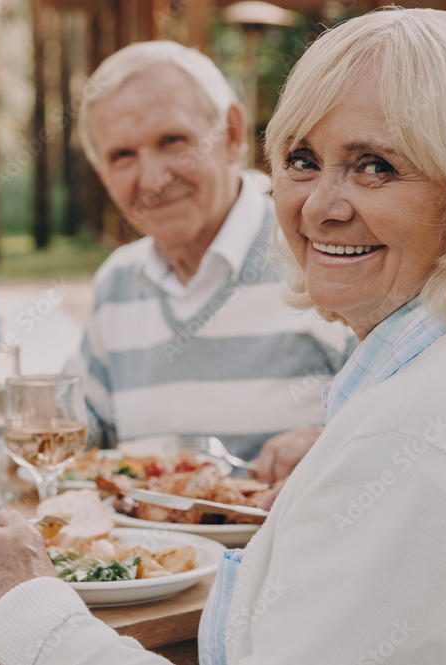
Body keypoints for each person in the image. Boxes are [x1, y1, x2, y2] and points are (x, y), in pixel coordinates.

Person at [0, 9, 446, 664]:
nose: (319, 206)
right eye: (303, 158)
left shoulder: (415, 433)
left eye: (375, 164)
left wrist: (27, 605)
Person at [71, 40, 354, 475]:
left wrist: (332, 442)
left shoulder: (329, 253)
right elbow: (75, 439)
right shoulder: (118, 282)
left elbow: (401, 427)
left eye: (172, 141)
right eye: (122, 155)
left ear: (232, 134)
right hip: (152, 544)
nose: (152, 179)